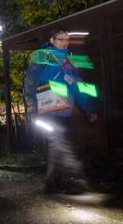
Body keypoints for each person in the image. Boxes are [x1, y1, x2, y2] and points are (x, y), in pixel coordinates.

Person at [23, 27, 97, 194]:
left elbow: (77, 86)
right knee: (57, 143)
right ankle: (52, 184)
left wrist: (89, 108)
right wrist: (31, 106)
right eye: (61, 39)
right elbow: (29, 82)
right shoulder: (42, 56)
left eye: (67, 39)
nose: (65, 43)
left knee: (60, 144)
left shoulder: (69, 61)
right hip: (46, 110)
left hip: (65, 110)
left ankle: (55, 182)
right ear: (52, 40)